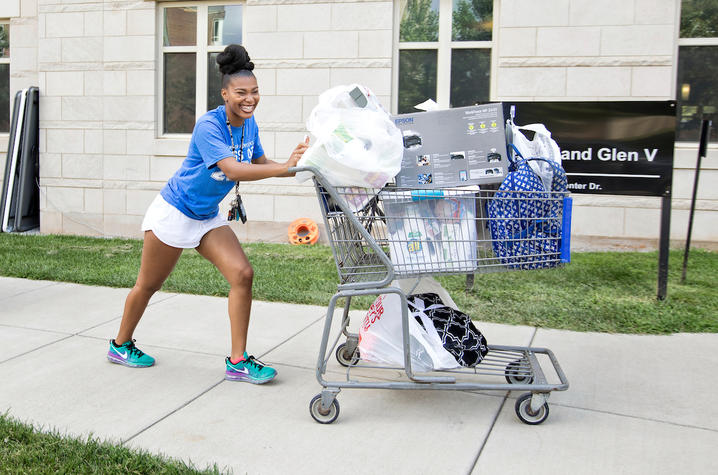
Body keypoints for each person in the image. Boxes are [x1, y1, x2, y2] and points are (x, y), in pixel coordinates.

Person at [107, 44, 309, 385]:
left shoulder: (249, 124)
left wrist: (299, 166)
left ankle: (238, 361)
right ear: (225, 93)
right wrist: (282, 169)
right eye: (242, 93)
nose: (250, 99)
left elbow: (259, 163)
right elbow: (231, 170)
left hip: (205, 215)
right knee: (148, 285)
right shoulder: (208, 125)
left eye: (255, 92)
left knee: (243, 274)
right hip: (174, 210)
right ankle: (120, 344)